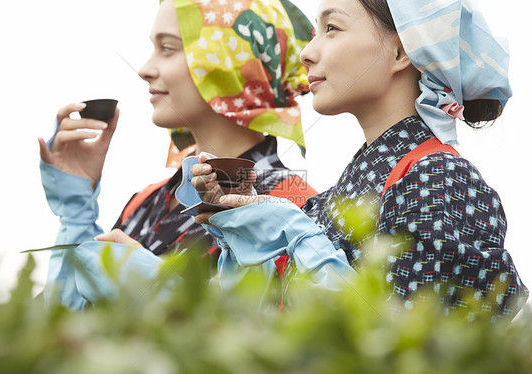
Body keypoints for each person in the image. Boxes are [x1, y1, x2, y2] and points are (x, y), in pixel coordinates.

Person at [189, 0, 529, 316]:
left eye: (332, 28)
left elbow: (411, 350)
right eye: (312, 34)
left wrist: (296, 235)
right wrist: (244, 230)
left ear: (400, 51)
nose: (306, 53)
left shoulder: (440, 179)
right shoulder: (341, 196)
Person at [39, 0, 317, 310]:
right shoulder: (145, 200)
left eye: (168, 48)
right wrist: (77, 210)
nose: (145, 69)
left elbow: (274, 343)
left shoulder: (294, 205)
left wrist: (165, 296)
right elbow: (65, 330)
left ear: (228, 61)